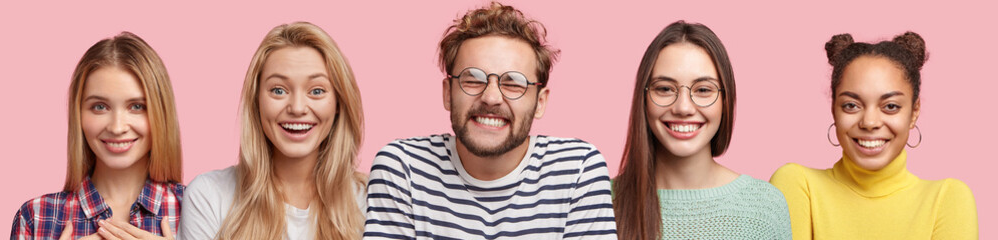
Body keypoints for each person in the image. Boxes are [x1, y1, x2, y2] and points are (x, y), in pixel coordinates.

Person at [363, 2, 617, 239]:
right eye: (472, 79)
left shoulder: (577, 170)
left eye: (513, 82)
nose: (491, 97)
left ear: (540, 102)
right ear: (447, 94)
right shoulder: (403, 168)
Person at [769, 31, 979, 239]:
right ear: (834, 109)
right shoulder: (797, 184)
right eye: (851, 105)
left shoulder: (948, 199)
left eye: (890, 106)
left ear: (914, 112)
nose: (869, 122)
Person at [179, 22, 367, 240]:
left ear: (338, 103)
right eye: (278, 90)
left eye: (316, 91)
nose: (297, 108)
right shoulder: (208, 196)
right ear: (257, 101)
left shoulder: (372, 201)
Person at [611, 21, 790, 239]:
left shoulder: (765, 207)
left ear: (725, 101)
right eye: (665, 89)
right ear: (644, 99)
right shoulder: (601, 202)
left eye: (703, 89)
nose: (683, 108)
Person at [11, 32, 184, 240]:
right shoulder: (34, 218)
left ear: (161, 113)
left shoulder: (201, 207)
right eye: (99, 107)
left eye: (137, 106)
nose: (117, 127)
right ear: (79, 115)